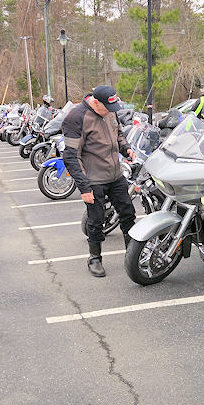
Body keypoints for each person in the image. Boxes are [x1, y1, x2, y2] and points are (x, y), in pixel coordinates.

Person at [62, 85, 136, 278]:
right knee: (96, 221)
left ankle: (133, 254)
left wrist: (126, 148)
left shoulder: (110, 111)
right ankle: (94, 258)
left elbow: (118, 134)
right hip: (93, 179)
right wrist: (84, 187)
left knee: (128, 213)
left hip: (115, 175)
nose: (111, 112)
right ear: (95, 102)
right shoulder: (77, 117)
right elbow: (71, 155)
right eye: (107, 108)